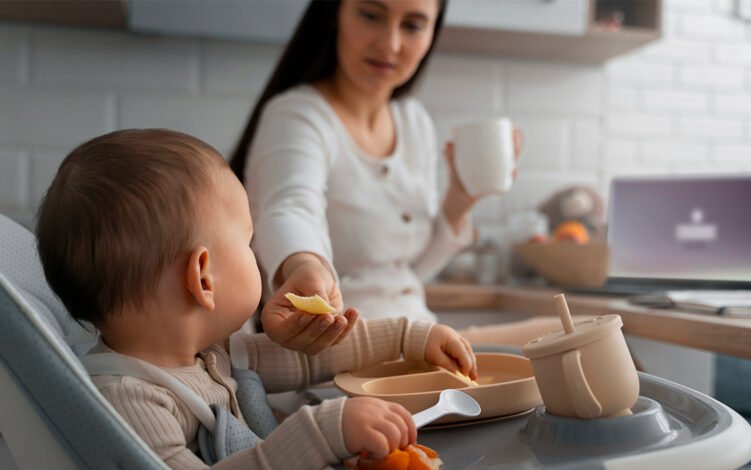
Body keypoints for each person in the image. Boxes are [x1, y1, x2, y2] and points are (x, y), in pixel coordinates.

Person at [35, 128, 478, 469]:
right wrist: (319, 435)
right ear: (203, 277)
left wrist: (410, 338)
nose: (256, 256)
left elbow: (310, 359)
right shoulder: (129, 400)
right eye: (247, 242)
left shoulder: (210, 354)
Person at [231, 0, 558, 354]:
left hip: (419, 337)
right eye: (371, 16)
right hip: (342, 355)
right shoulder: (297, 115)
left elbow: (406, 274)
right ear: (334, 13)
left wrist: (459, 202)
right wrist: (306, 269)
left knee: (576, 333)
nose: (390, 44)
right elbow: (291, 208)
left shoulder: (414, 123)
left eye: (413, 25)